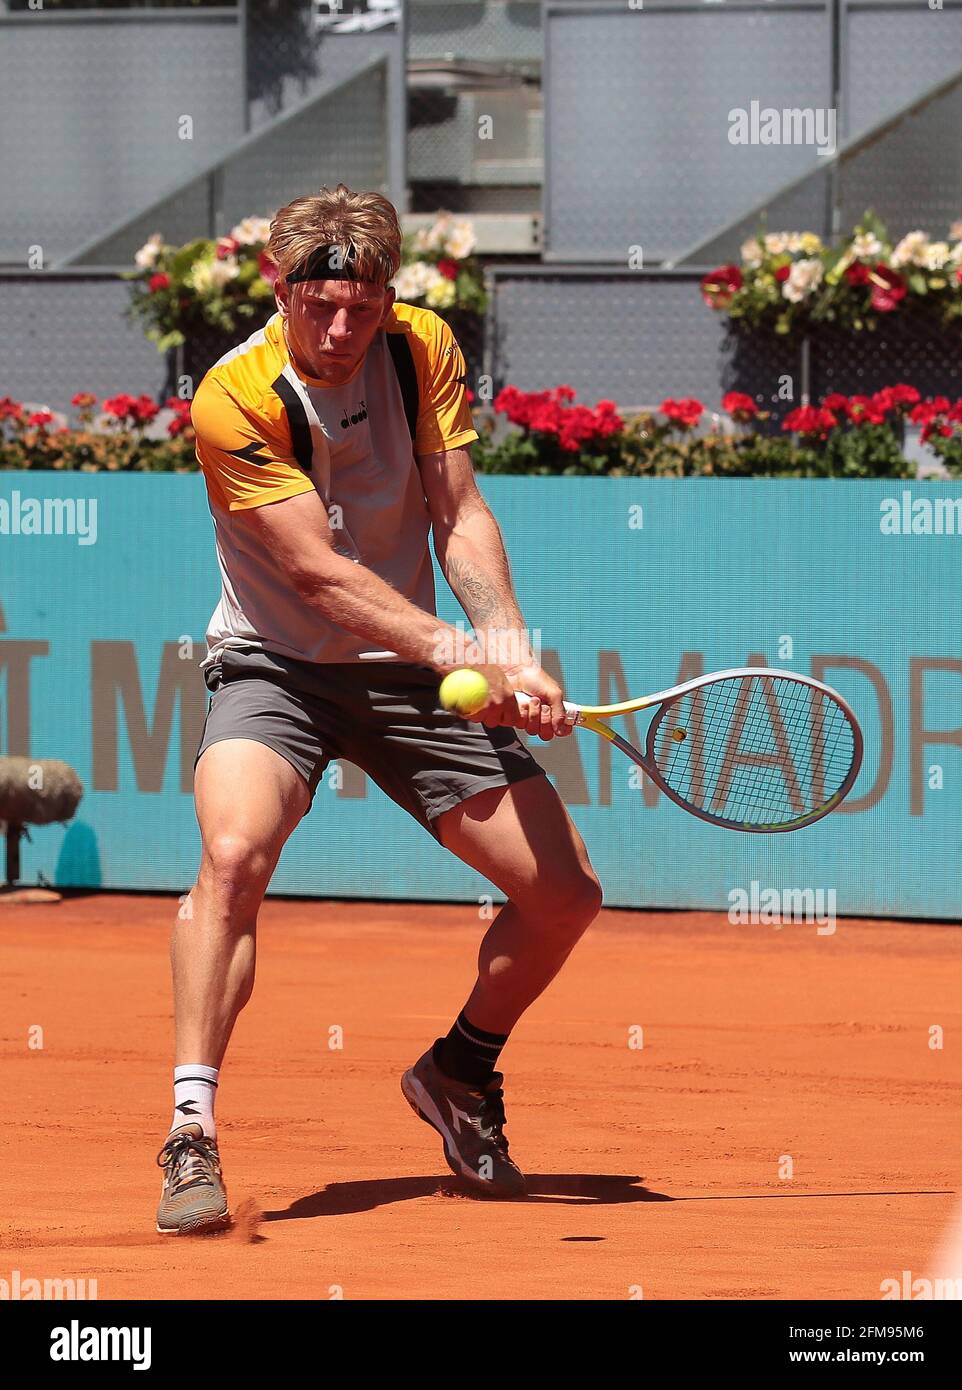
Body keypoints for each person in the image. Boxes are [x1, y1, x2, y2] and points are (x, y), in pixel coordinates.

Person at [155, 184, 602, 1234]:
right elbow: (316, 576)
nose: (344, 330)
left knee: (564, 899)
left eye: (363, 307)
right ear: (279, 287)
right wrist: (460, 648)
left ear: (389, 295)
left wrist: (502, 639)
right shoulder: (233, 397)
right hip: (275, 664)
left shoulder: (421, 348)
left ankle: (458, 1071)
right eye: (322, 309)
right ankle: (189, 1129)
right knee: (232, 853)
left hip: (408, 679)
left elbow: (457, 510)